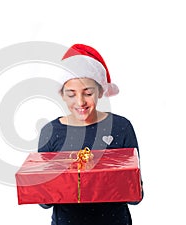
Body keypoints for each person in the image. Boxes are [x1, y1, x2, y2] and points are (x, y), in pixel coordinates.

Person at [37, 44, 143, 225]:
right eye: (71, 94)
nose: (80, 102)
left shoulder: (120, 127)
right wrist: (49, 185)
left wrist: (120, 183)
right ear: (62, 94)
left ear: (101, 91)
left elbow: (136, 196)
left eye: (88, 93)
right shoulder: (51, 132)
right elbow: (44, 201)